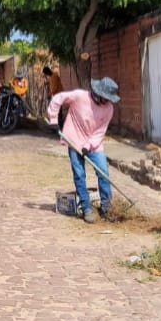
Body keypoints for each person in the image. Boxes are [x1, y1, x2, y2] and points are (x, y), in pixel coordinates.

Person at [47, 77, 119, 223]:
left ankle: (106, 207)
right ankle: (86, 208)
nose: (108, 101)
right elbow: (58, 98)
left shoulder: (109, 109)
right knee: (79, 174)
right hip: (74, 139)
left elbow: (100, 131)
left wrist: (88, 146)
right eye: (106, 98)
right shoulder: (80, 96)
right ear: (98, 93)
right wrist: (54, 119)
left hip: (94, 143)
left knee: (103, 172)